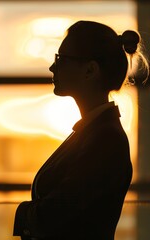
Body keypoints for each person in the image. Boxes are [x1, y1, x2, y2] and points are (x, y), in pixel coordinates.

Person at [13, 20, 149, 240]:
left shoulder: (105, 139)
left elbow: (54, 216)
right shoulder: (95, 132)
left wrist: (24, 214)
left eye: (61, 59)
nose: (52, 67)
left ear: (90, 70)